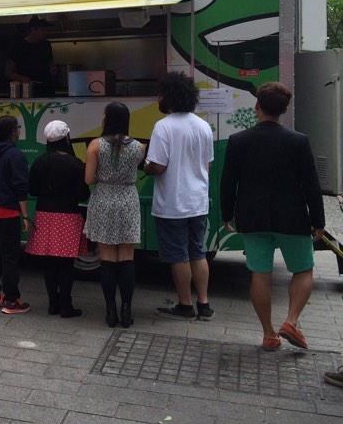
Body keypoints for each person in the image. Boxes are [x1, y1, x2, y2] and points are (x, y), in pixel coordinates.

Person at [220, 82, 324, 350]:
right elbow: (311, 184)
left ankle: (268, 334)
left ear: (257, 107)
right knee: (303, 269)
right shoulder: (298, 141)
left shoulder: (238, 141)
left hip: (253, 218)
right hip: (292, 217)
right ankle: (291, 320)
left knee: (259, 274)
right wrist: (319, 221)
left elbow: (228, 181)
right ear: (284, 110)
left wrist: (226, 213)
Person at [144, 72, 215, 321]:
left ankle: (185, 304)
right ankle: (204, 303)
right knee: (198, 252)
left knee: (178, 255)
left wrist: (146, 165)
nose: (159, 98)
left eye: (161, 94)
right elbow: (207, 164)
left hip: (173, 202)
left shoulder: (164, 126)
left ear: (169, 97)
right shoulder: (203, 125)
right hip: (198, 200)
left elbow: (159, 166)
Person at [84, 103, 145, 328]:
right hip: (128, 199)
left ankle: (110, 310)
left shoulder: (95, 146)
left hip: (104, 199)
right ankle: (127, 309)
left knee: (107, 256)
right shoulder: (139, 147)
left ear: (107, 119)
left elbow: (89, 179)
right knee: (127, 256)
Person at [26, 121, 90, 318]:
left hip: (45, 215)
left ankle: (52, 303)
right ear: (66, 139)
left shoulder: (39, 162)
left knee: (49, 264)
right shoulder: (76, 164)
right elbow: (84, 193)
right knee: (66, 264)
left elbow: (33, 190)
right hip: (69, 216)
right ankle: (66, 305)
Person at [0, 115, 31, 313]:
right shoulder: (15, 155)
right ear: (12, 132)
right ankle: (11, 300)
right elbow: (20, 187)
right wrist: (25, 216)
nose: (19, 131)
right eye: (17, 128)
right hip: (7, 212)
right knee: (9, 257)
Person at [6, 17, 56, 95]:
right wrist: (22, 78)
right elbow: (8, 73)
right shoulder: (18, 46)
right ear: (33, 30)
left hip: (47, 90)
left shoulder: (46, 45)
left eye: (46, 30)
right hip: (27, 91)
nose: (46, 32)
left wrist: (53, 69)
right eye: (43, 30)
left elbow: (51, 64)